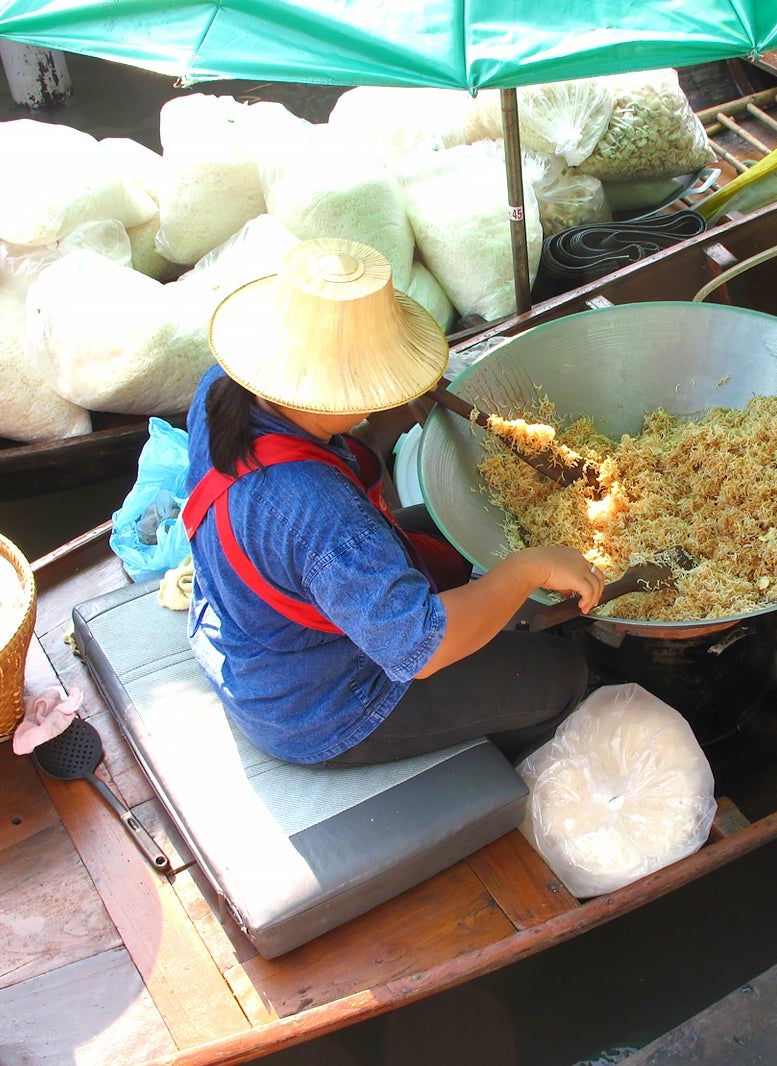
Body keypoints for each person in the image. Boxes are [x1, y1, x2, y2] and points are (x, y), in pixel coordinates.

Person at [184, 237, 602, 767]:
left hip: (250, 618)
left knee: (453, 530)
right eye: (374, 384)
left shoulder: (223, 386)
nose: (381, 397)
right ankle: (484, 764)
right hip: (317, 702)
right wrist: (530, 568)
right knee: (561, 675)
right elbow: (424, 646)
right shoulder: (325, 518)